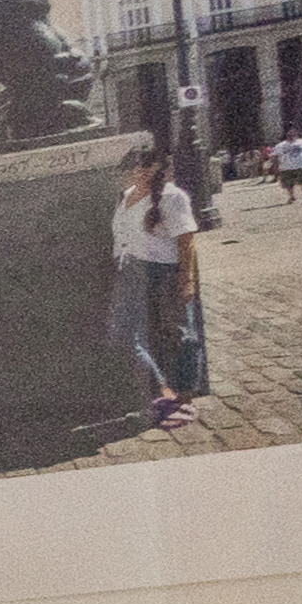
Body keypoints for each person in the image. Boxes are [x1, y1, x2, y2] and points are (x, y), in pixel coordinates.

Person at [106, 143, 208, 416]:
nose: (139, 172)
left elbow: (186, 241)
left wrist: (186, 281)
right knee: (123, 333)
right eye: (133, 167)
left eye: (145, 166)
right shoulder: (126, 196)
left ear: (157, 168)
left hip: (163, 272)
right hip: (130, 271)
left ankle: (185, 397)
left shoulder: (173, 197)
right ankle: (163, 387)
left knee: (178, 334)